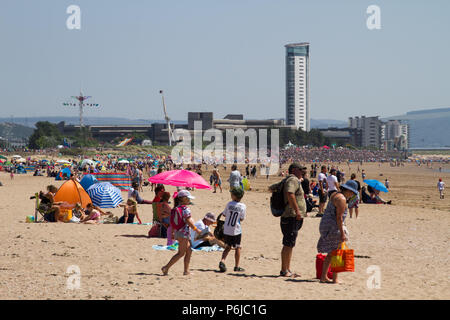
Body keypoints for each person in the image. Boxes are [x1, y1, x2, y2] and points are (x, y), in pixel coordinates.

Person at [317, 180, 359, 284]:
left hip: (326, 225)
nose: (352, 195)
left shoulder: (335, 194)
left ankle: (323, 277)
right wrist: (342, 233)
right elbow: (339, 218)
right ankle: (335, 279)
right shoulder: (341, 199)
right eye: (352, 192)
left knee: (331, 253)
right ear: (348, 190)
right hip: (333, 227)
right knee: (337, 252)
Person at [270, 163, 307, 278]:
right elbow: (290, 193)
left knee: (289, 243)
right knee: (288, 244)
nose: (303, 173)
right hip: (291, 216)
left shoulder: (287, 180)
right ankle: (284, 270)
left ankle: (287, 269)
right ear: (295, 170)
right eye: (301, 170)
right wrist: (297, 211)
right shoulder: (292, 180)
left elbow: (271, 188)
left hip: (289, 216)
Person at [161, 190, 201, 276]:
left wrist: (172, 233)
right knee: (181, 253)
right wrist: (196, 229)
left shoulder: (176, 208)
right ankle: (166, 267)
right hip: (184, 233)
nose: (189, 200)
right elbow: (188, 220)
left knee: (189, 250)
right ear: (183, 199)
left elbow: (172, 222)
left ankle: (186, 271)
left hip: (178, 232)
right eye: (188, 199)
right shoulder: (185, 209)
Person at [219, 187, 247, 273]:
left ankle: (222, 260)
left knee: (228, 246)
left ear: (234, 196)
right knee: (238, 247)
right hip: (236, 230)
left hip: (227, 229)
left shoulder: (229, 204)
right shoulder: (243, 206)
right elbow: (242, 218)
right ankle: (236, 266)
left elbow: (224, 214)